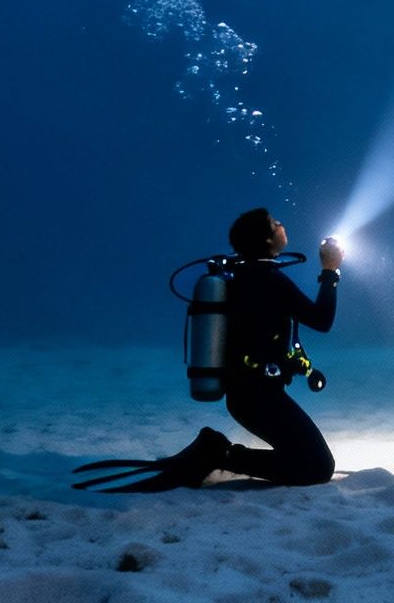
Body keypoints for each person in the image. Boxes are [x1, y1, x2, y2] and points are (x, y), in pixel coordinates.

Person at [71, 207, 343, 492]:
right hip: (258, 399)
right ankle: (219, 454)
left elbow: (256, 338)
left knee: (308, 459)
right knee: (317, 467)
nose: (282, 224)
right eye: (275, 223)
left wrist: (290, 363)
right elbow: (322, 320)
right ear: (265, 240)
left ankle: (219, 452)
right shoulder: (269, 280)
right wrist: (330, 270)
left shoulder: (242, 277)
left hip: (248, 396)